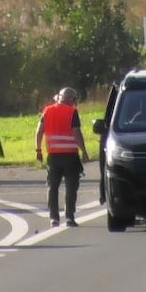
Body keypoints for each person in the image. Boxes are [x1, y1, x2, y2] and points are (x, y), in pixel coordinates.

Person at [34, 86, 89, 228]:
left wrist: (38, 150)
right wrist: (84, 151)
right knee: (71, 187)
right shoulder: (72, 112)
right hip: (70, 156)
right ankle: (69, 217)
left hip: (53, 157)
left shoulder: (47, 110)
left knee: (52, 187)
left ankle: (54, 218)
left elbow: (39, 132)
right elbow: (76, 133)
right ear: (72, 99)